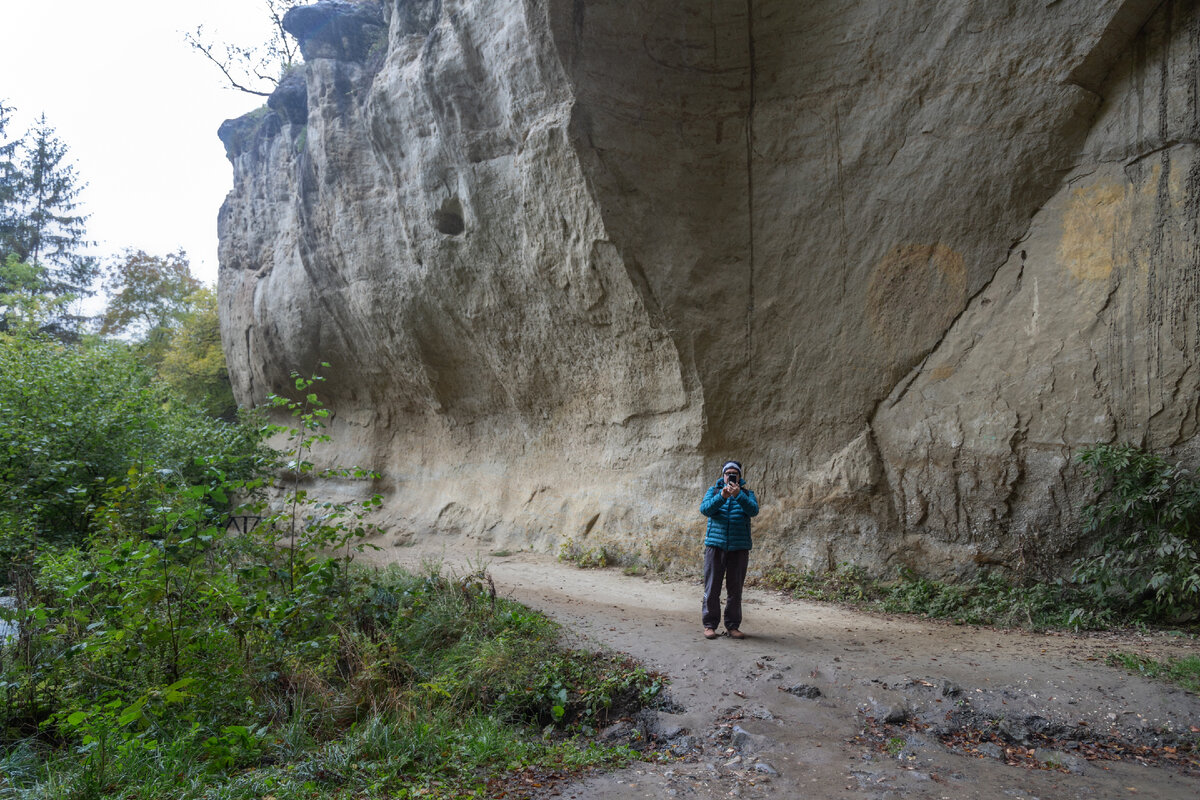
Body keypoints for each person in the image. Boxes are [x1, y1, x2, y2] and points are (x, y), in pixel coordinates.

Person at [700, 460, 759, 639]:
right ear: (723, 475)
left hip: (739, 548)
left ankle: (732, 626)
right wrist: (722, 497)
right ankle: (710, 625)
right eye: (728, 473)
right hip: (715, 546)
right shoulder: (715, 491)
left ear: (740, 477)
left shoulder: (747, 494)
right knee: (712, 587)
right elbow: (705, 510)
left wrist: (738, 495)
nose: (731, 476)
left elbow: (753, 511)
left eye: (735, 473)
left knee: (735, 589)